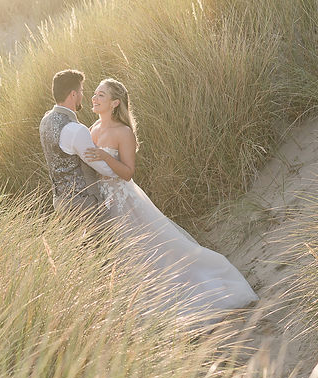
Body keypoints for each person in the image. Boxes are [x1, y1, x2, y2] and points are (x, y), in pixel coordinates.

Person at [83, 78, 258, 318]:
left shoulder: (124, 132)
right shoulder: (92, 128)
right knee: (122, 257)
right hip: (104, 202)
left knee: (155, 251)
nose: (94, 98)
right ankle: (138, 312)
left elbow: (127, 173)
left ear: (114, 103)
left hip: (126, 202)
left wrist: (104, 155)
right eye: (94, 94)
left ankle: (198, 294)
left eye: (100, 95)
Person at [38, 69, 116, 223]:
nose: (82, 95)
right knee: (107, 242)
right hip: (84, 206)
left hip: (60, 203)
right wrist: (121, 169)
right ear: (73, 94)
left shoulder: (45, 121)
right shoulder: (76, 130)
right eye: (81, 91)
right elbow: (102, 168)